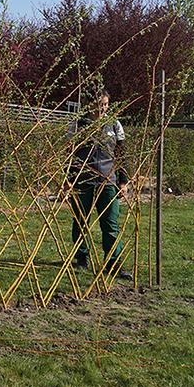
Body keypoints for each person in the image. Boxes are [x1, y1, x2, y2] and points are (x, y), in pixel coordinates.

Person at [68, 89, 132, 281]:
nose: (102, 108)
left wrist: (123, 181)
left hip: (108, 181)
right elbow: (69, 155)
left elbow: (122, 155)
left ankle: (113, 264)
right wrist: (68, 180)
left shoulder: (114, 124)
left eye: (105, 104)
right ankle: (81, 259)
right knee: (80, 221)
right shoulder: (79, 125)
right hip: (83, 181)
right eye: (99, 104)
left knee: (111, 224)